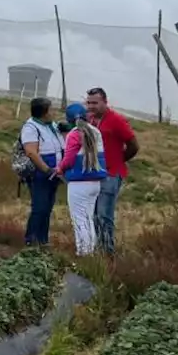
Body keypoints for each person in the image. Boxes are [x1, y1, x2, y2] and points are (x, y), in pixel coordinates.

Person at [84, 87, 139, 255]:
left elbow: (134, 145)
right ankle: (97, 249)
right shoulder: (90, 119)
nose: (91, 106)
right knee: (93, 214)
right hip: (94, 173)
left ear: (105, 102)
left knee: (104, 215)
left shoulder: (116, 120)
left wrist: (118, 160)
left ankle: (107, 253)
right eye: (89, 103)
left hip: (110, 174)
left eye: (95, 103)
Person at [54, 102, 108, 255]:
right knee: (88, 219)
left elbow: (69, 159)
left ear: (69, 119)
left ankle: (83, 254)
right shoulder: (96, 132)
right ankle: (91, 252)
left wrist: (60, 168)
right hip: (95, 183)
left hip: (79, 183)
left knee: (79, 221)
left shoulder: (74, 134)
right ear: (86, 116)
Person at [20, 97, 66, 247]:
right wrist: (47, 170)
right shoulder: (31, 128)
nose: (54, 112)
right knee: (39, 207)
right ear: (44, 112)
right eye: (51, 109)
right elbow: (31, 152)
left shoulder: (50, 125)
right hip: (41, 173)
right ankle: (31, 240)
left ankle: (42, 240)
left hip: (55, 173)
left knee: (47, 207)